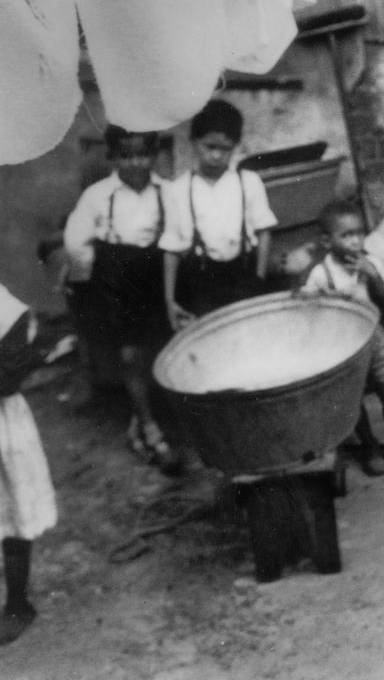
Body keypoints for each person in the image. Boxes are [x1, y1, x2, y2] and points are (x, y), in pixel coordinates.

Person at [63, 125, 179, 473]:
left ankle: (174, 419)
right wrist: (81, 280)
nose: (135, 163)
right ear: (112, 157)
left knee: (168, 346)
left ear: (154, 155)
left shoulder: (169, 191)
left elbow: (182, 233)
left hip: (160, 273)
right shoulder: (98, 196)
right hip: (120, 278)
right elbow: (76, 242)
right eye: (126, 155)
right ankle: (148, 425)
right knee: (131, 354)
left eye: (143, 154)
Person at [301, 199, 384, 476]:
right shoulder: (321, 273)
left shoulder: (372, 263)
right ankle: (370, 446)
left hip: (374, 338)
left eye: (358, 233)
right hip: (343, 344)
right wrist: (321, 297)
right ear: (328, 241)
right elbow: (308, 310)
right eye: (346, 235)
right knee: (353, 398)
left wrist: (373, 275)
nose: (355, 241)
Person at [160, 99, 277, 328]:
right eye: (209, 146)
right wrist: (169, 299)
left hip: (244, 276)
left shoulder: (248, 182)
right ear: (194, 142)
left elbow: (264, 231)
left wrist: (259, 279)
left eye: (225, 149)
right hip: (200, 283)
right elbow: (171, 249)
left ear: (235, 146)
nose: (216, 155)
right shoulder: (177, 190)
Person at [0, 285, 58, 647]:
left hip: (3, 423)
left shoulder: (6, 310)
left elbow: (7, 376)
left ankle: (18, 603)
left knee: (14, 510)